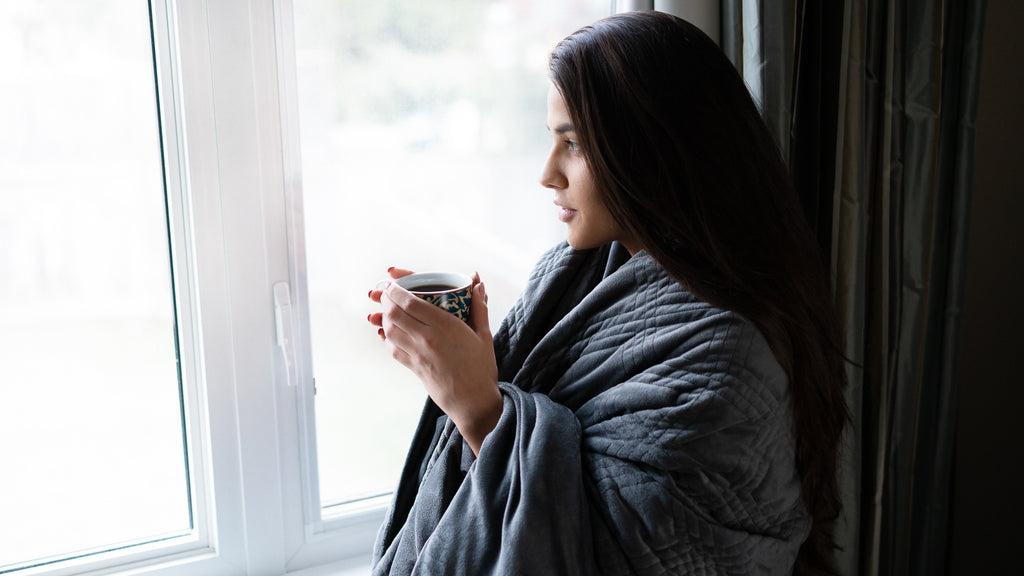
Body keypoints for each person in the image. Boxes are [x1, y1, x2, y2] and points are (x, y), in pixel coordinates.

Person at [367, 10, 848, 576]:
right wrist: (469, 362)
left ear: (653, 150)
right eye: (552, 140)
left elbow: (613, 552)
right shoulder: (573, 275)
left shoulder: (726, 359)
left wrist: (477, 408)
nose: (548, 173)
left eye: (573, 144)